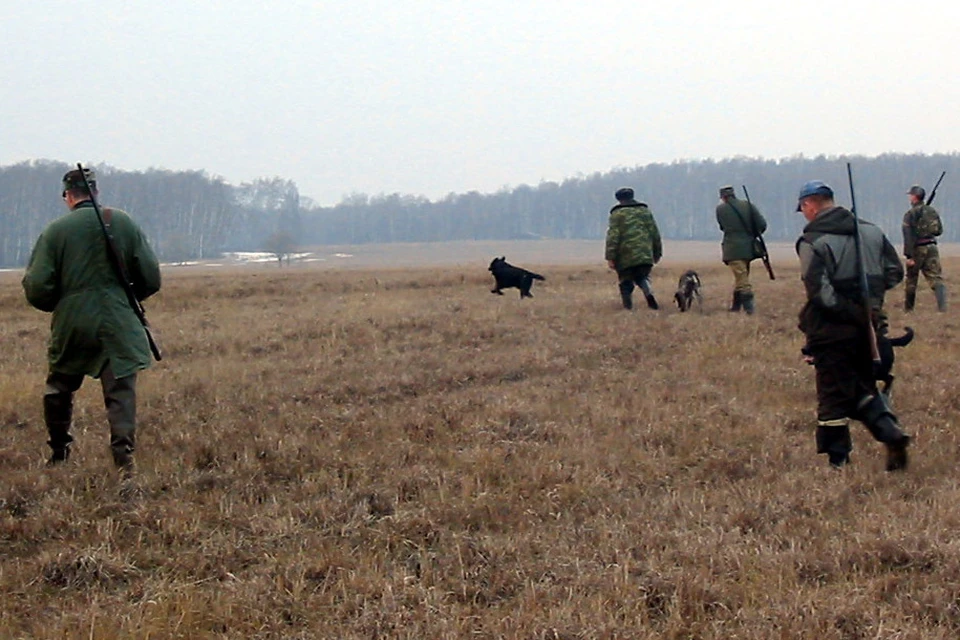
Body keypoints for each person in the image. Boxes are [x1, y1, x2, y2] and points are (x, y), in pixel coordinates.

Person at [22, 168, 161, 471]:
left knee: (59, 386)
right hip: (118, 321)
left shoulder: (55, 231)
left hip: (72, 323)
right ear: (96, 193)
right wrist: (128, 298)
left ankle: (59, 452)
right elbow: (150, 277)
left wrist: (62, 303)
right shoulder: (122, 222)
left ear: (68, 196)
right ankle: (123, 459)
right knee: (121, 392)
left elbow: (36, 287)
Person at [795, 180, 910, 471]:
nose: (804, 214)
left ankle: (838, 462)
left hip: (832, 331)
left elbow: (820, 293)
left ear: (810, 205)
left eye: (803, 209)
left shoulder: (812, 241)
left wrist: (850, 311)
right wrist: (870, 302)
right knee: (862, 388)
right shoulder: (871, 231)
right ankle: (890, 433)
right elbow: (895, 272)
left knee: (833, 395)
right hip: (870, 328)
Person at [605, 187, 662, 310]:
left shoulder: (617, 215)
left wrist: (610, 257)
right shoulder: (645, 212)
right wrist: (657, 252)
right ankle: (649, 293)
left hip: (625, 255)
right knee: (642, 277)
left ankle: (628, 308)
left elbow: (613, 236)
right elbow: (654, 233)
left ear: (619, 199)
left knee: (625, 282)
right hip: (645, 253)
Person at [716, 185, 767, 314]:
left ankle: (750, 311)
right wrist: (752, 234)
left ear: (723, 197)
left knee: (742, 279)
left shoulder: (721, 209)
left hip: (733, 248)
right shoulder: (748, 205)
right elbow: (762, 224)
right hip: (749, 248)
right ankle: (736, 307)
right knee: (742, 276)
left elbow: (722, 227)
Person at [902, 184, 947, 312]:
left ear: (915, 197)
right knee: (936, 278)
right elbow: (939, 231)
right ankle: (942, 308)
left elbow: (907, 235)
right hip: (932, 247)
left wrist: (909, 256)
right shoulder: (932, 211)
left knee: (911, 279)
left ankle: (909, 310)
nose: (909, 198)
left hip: (917, 249)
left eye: (910, 195)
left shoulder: (910, 214)